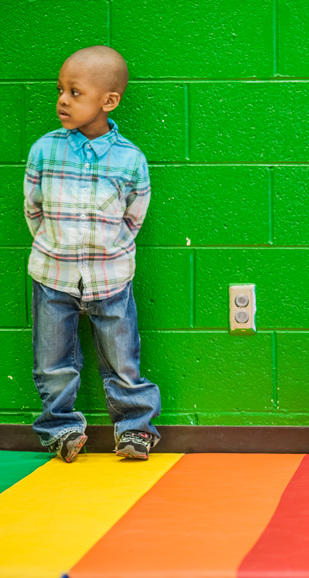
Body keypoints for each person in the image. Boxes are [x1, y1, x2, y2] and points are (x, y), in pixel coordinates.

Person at [24, 46, 161, 462]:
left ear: (109, 101)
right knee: (53, 361)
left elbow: (134, 215)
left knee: (122, 359)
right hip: (53, 274)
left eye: (75, 92)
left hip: (110, 277)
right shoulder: (45, 151)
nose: (62, 100)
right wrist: (57, 245)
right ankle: (59, 428)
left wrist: (108, 250)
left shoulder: (129, 159)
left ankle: (135, 428)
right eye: (60, 90)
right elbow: (33, 208)